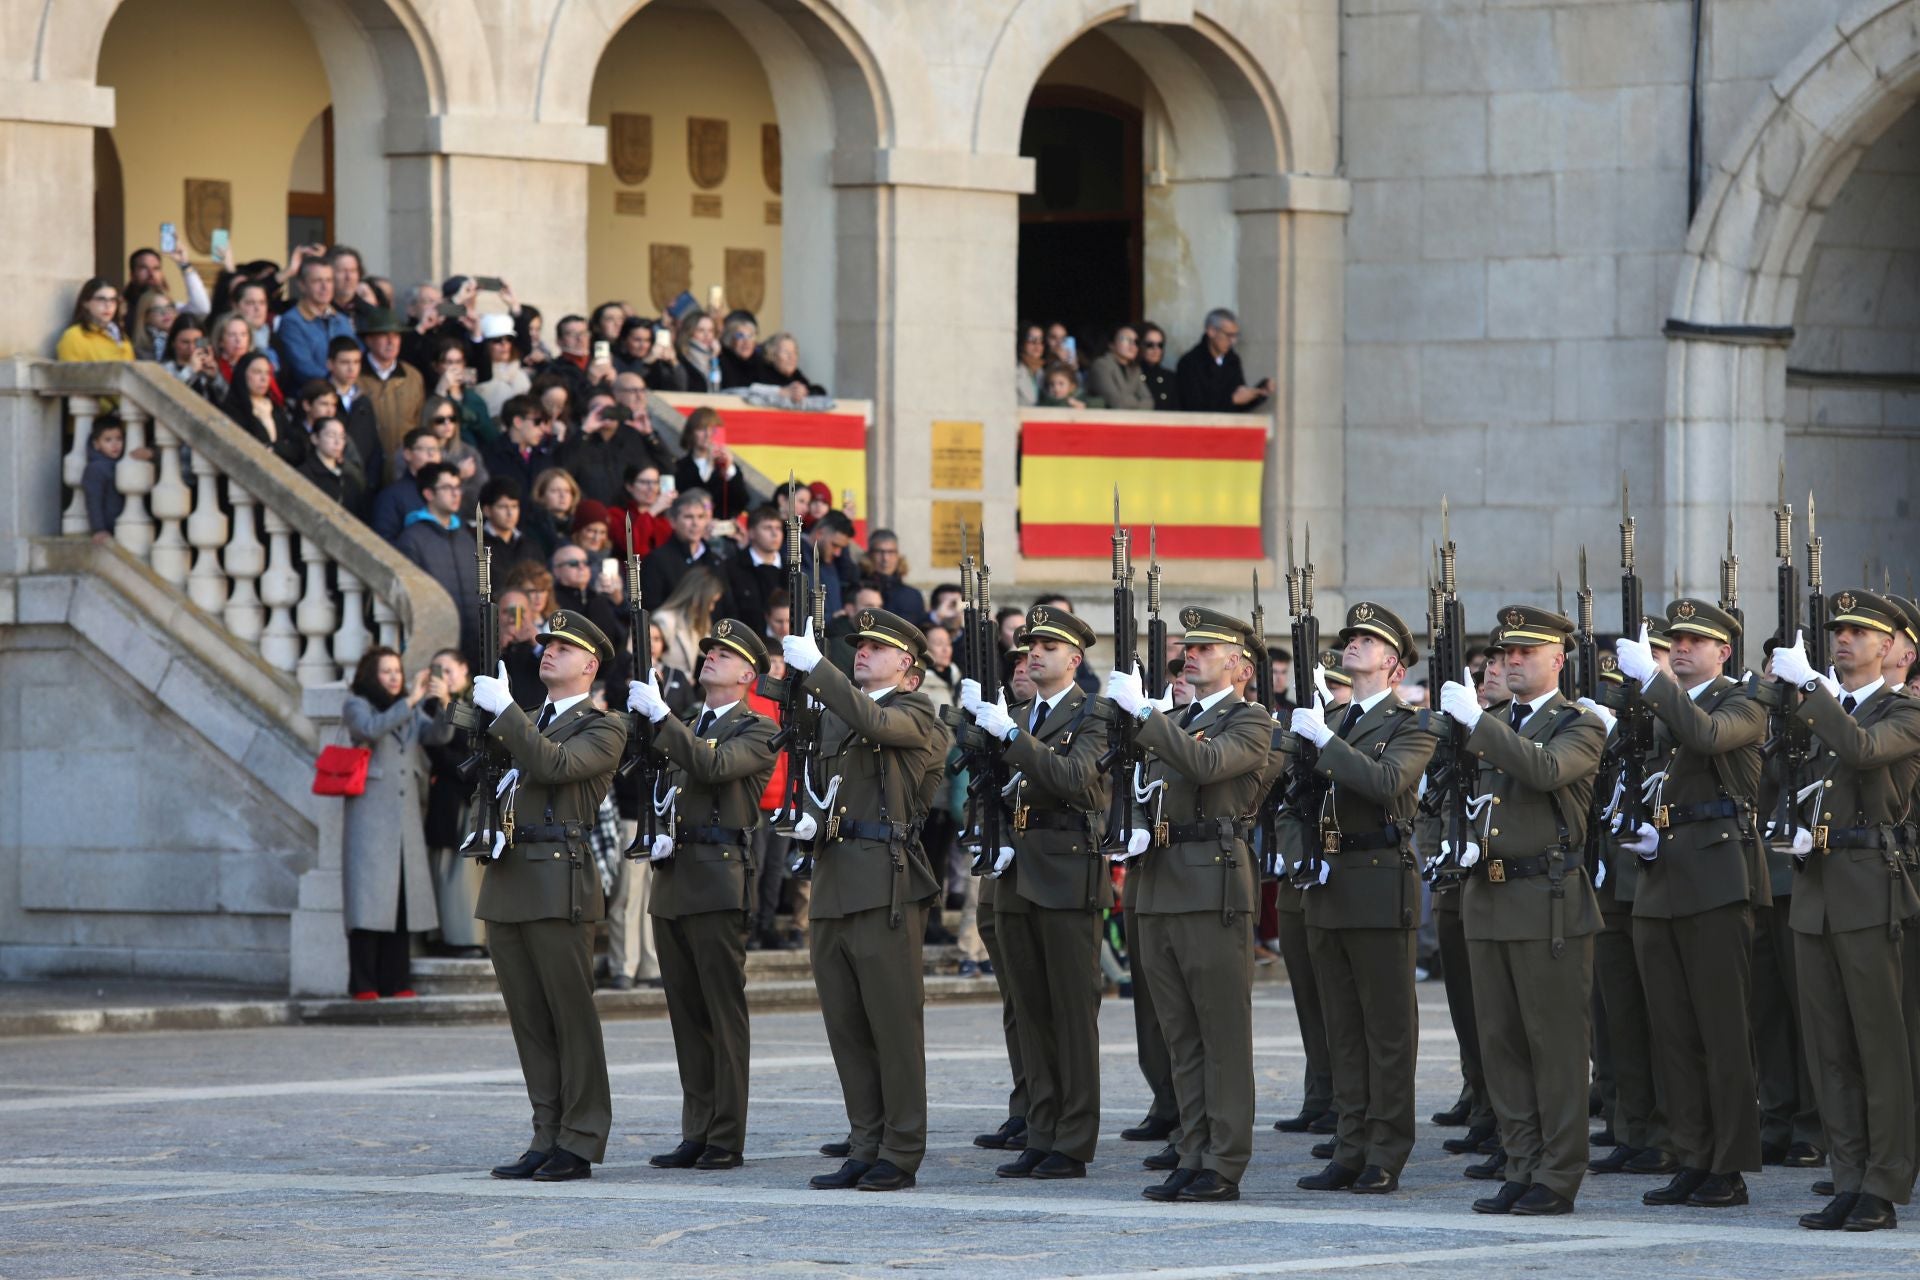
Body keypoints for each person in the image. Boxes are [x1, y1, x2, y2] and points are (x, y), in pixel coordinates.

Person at [1436, 605, 1607, 1217]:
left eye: (1525, 653)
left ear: (1557, 660)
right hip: (1489, 896)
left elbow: (1544, 770)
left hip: (1547, 901)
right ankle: (1521, 1161)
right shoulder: (1493, 721)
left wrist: (1477, 725)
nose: (1511, 661)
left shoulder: (1579, 724)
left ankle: (1558, 1174)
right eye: (1505, 653)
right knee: (1501, 1045)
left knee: (1553, 1046)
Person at [1104, 607, 1271, 1202]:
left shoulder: (1251, 722)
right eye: (1187, 649)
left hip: (1212, 888)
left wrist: (1146, 716)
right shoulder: (1172, 719)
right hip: (1157, 884)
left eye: (1205, 648)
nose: (1190, 655)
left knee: (1220, 1033)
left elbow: (1206, 765)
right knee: (1179, 1034)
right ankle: (1193, 1147)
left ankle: (1224, 1161)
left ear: (1241, 666)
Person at [1606, 599, 1768, 1209]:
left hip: (1716, 880)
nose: (1681, 648)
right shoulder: (1661, 705)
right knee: (1671, 1031)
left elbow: (1706, 737)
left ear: (1724, 651)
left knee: (1721, 1031)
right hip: (1659, 877)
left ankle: (1729, 1166)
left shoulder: (1743, 701)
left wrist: (1652, 683)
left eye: (1697, 641)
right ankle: (1692, 1156)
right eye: (1675, 640)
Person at [1767, 589, 1920, 1231]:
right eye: (1839, 630)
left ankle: (1884, 1182)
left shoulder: (1903, 712)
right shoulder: (1820, 711)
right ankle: (1849, 1174)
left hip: (1868, 891)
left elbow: (1862, 750)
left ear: (1889, 646)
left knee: (1878, 1045)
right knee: (1829, 1047)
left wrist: (1812, 693)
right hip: (1818, 891)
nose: (1844, 639)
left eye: (1860, 631)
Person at [781, 610, 950, 1191]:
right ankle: (864, 1140)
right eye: (860, 645)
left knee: (893, 1025)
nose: (863, 652)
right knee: (846, 1026)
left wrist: (819, 672)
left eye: (877, 647)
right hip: (832, 881)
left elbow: (877, 724)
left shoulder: (917, 712)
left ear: (908, 663)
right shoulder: (837, 711)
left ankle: (900, 1149)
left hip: (886, 882)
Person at [467, 611, 629, 1183]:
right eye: (547, 645)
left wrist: (506, 714)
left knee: (570, 1016)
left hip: (558, 880)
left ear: (590, 665)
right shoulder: (529, 719)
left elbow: (554, 765)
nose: (550, 653)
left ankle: (580, 1138)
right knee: (529, 1020)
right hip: (510, 877)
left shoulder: (604, 727)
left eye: (564, 647)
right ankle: (546, 1132)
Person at [1288, 604, 1438, 1196]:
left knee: (1387, 1029)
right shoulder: (1336, 718)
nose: (1353, 644)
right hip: (1329, 881)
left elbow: (1384, 783)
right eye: (1350, 637)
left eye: (1368, 640)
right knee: (1342, 1029)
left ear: (1395, 668)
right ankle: (1349, 1147)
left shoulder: (1412, 724)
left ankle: (1385, 1151)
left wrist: (1324, 737)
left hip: (1379, 882)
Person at [959, 607, 1111, 1180]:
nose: (1034, 653)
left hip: (1069, 873)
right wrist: (977, 726)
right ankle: (1041, 1130)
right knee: (1031, 1012)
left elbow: (1075, 778)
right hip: (1017, 873)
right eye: (1029, 646)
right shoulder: (1016, 713)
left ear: (1074, 659)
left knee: (1072, 1016)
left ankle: (1073, 1140)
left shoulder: (1094, 713)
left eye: (1048, 645)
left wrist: (1009, 736)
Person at [628, 620, 780, 1171]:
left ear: (747, 675)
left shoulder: (758, 728)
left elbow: (712, 766)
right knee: (685, 1014)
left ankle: (725, 1134)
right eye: (709, 650)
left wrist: (662, 719)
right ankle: (697, 1126)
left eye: (725, 654)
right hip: (673, 875)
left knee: (721, 1011)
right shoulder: (688, 721)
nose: (711, 657)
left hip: (718, 878)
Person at [341, 647, 454, 999]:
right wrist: (410, 700)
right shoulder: (357, 704)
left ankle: (397, 981)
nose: (393, 677)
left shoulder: (410, 708)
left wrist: (446, 703)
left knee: (401, 902)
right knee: (369, 903)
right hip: (370, 819)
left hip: (405, 821)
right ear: (371, 674)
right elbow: (371, 730)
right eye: (386, 671)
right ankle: (363, 983)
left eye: (397, 671)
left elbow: (439, 737)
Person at [420, 647, 486, 957]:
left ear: (464, 670)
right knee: (451, 871)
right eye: (437, 671)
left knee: (475, 872)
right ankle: (457, 937)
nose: (443, 677)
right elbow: (439, 750)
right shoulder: (429, 708)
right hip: (450, 797)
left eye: (448, 670)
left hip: (478, 796)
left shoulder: (481, 700)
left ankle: (478, 936)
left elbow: (482, 743)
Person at [393, 462, 483, 668]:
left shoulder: (466, 539)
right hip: (436, 642)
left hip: (475, 643)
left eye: (458, 487)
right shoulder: (412, 538)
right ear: (428, 493)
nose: (456, 493)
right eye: (447, 488)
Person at [643, 489, 737, 620]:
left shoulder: (716, 561)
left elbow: (728, 608)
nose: (695, 523)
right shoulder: (656, 560)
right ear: (672, 521)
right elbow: (651, 608)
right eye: (688, 517)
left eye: (701, 517)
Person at [274, 255, 358, 389]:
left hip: (344, 394)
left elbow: (356, 357)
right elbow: (303, 368)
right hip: (310, 399)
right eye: (317, 281)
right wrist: (336, 384)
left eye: (329, 280)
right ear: (302, 285)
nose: (325, 287)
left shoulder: (342, 320)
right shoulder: (291, 321)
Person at [1174, 308, 1272, 413]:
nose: (1233, 341)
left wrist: (1259, 393)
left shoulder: (1233, 360)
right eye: (1229, 335)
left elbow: (1239, 405)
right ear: (1211, 331)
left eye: (1235, 336)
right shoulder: (1189, 363)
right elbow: (1193, 406)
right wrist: (1232, 400)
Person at [359, 309, 427, 460]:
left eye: (396, 335)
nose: (391, 341)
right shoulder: (355, 376)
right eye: (384, 335)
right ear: (369, 340)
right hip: (366, 463)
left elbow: (419, 420)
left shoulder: (413, 377)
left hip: (404, 462)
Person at [222, 352, 305, 468]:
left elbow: (297, 447)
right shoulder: (232, 408)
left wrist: (274, 448)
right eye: (257, 372)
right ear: (243, 374)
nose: (264, 378)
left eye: (267, 373)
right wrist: (281, 445)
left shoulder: (274, 407)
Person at [325, 336, 385, 485]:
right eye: (345, 362)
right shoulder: (320, 398)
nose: (352, 368)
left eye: (356, 362)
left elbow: (374, 447)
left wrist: (370, 484)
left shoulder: (364, 401)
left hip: (362, 486)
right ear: (330, 364)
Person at [673, 408, 752, 521]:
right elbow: (690, 497)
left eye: (713, 430)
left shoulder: (729, 467)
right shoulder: (680, 467)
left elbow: (742, 502)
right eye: (701, 429)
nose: (708, 434)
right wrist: (709, 466)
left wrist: (729, 470)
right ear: (691, 433)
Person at [549, 543, 625, 656]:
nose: (582, 567)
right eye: (573, 563)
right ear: (557, 570)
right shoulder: (550, 599)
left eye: (586, 562)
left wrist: (617, 598)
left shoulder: (598, 596)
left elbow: (622, 634)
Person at [370, 427, 443, 543]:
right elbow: (383, 542)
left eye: (436, 449)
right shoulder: (391, 496)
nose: (432, 454)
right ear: (408, 454)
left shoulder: (446, 493)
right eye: (426, 449)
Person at [653, 567, 726, 677]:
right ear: (697, 599)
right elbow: (650, 661)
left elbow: (712, 646)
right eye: (711, 602)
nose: (712, 608)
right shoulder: (664, 620)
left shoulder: (698, 622)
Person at [725, 505, 786, 637]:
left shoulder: (793, 570)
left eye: (778, 528)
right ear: (751, 532)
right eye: (767, 528)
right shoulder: (733, 568)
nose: (775, 534)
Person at [484, 396, 558, 497]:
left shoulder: (546, 453)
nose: (543, 428)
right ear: (518, 422)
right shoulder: (490, 454)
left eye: (544, 422)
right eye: (537, 422)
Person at [81, 416, 140, 544]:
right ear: (96, 444)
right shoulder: (95, 468)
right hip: (108, 528)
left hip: (126, 524)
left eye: (119, 439)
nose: (115, 444)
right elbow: (93, 501)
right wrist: (99, 529)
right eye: (108, 440)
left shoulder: (123, 463)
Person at [56, 278, 134, 363]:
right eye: (101, 299)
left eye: (112, 300)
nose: (108, 305)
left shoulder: (123, 338)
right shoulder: (74, 337)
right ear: (85, 302)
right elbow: (70, 374)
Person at [608, 465, 676, 563]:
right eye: (644, 482)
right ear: (629, 486)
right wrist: (652, 512)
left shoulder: (664, 517)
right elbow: (632, 547)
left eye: (656, 482)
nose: (651, 488)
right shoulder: (615, 514)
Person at [299, 417, 367, 514]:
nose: (338, 442)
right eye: (331, 435)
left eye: (342, 436)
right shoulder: (304, 475)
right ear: (315, 438)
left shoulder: (349, 476)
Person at [862, 529, 926, 623]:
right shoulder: (859, 590)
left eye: (891, 552)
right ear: (870, 555)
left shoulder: (913, 595)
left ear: (898, 556)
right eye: (880, 552)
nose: (885, 558)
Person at [1086, 326, 1156, 412]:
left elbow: (1149, 401)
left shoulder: (1135, 369)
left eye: (1136, 342)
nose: (1133, 345)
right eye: (1126, 339)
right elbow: (1116, 401)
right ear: (1111, 344)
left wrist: (1127, 400)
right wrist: (1136, 401)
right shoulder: (1100, 365)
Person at [476, 313, 531, 419]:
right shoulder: (480, 374)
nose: (504, 344)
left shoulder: (521, 374)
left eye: (508, 339)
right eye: (497, 340)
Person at [479, 478, 541, 572]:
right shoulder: (475, 544)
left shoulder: (530, 546)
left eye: (514, 506)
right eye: (503, 507)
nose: (510, 513)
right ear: (487, 510)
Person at [162, 313, 224, 403]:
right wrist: (190, 371)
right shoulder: (164, 369)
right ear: (173, 342)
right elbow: (169, 397)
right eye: (185, 342)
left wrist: (215, 378)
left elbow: (228, 401)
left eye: (196, 341)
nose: (191, 348)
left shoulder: (209, 368)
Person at [753, 332, 827, 400]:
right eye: (786, 352)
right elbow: (751, 389)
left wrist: (806, 392)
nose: (792, 357)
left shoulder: (796, 375)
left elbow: (813, 390)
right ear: (772, 355)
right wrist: (781, 392)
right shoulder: (761, 371)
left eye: (794, 352)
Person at [673, 310, 723, 395]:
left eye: (711, 330)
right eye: (701, 330)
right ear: (690, 332)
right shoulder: (681, 357)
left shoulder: (717, 356)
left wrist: (714, 358)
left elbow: (716, 389)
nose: (707, 335)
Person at [1138, 323, 1179, 410]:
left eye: (1160, 345)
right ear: (1140, 346)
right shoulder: (1132, 375)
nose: (1156, 350)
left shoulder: (1170, 377)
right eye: (1150, 345)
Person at [129, 290, 177, 363]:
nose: (165, 312)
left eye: (169, 307)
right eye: (157, 309)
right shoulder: (139, 348)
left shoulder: (184, 338)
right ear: (145, 317)